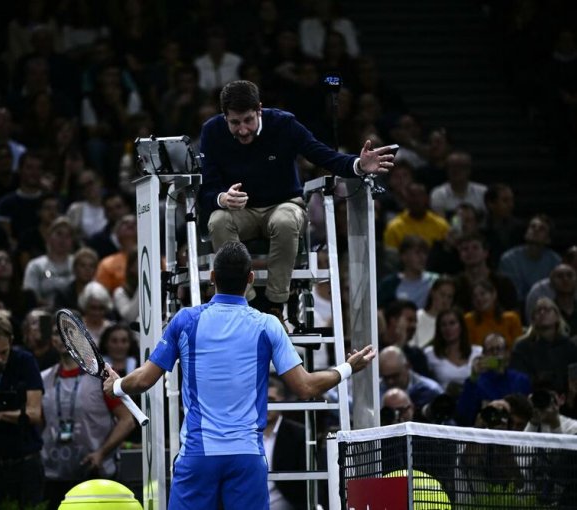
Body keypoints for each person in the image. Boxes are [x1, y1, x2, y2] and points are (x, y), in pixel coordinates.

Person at [101, 241, 376, 509]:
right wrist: (348, 367)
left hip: (199, 455)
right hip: (246, 458)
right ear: (251, 279)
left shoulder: (185, 320)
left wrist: (116, 385)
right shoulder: (268, 325)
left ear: (212, 277)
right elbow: (305, 387)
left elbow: (143, 380)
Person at [199, 80, 393, 312]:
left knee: (284, 220)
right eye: (235, 123)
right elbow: (207, 189)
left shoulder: (283, 124)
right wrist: (222, 198)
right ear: (224, 117)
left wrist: (358, 164)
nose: (243, 130)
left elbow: (324, 156)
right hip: (240, 212)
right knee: (218, 220)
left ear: (259, 109)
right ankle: (244, 304)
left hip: (284, 204)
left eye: (248, 120)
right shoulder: (212, 131)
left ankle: (275, 305)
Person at [40, 330, 135, 510]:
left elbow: (127, 421)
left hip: (96, 473)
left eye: (68, 332)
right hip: (54, 474)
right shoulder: (42, 378)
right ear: (52, 340)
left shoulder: (101, 379)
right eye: (56, 333)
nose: (61, 337)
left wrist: (101, 452)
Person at [0, 314, 45, 509]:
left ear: (11, 341)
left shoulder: (24, 362)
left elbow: (35, 414)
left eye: (4, 352)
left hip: (25, 460)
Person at [456, 333, 532, 426]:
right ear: (483, 355)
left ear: (506, 353)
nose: (495, 353)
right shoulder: (475, 381)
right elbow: (463, 417)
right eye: (491, 350)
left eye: (499, 349)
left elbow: (528, 414)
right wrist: (474, 377)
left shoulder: (521, 380)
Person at [265, 375, 306, 510]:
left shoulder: (298, 435)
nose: (266, 406)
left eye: (271, 400)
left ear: (282, 400)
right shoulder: (245, 434)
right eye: (262, 400)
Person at [424, 308, 482, 395]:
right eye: (443, 325)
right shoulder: (430, 354)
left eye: (452, 323)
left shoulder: (478, 352)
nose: (448, 328)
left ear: (461, 326)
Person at [379, 345, 443, 414]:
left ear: (407, 366)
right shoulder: (375, 394)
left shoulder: (431, 390)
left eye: (395, 376)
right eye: (386, 377)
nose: (390, 381)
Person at [463, 279, 523, 348]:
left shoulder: (511, 318)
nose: (479, 299)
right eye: (474, 296)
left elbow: (519, 348)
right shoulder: (468, 320)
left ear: (494, 294)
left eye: (482, 294)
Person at [411, 276, 455, 349]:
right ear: (433, 292)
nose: (445, 300)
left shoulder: (453, 323)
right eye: (442, 295)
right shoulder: (417, 316)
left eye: (449, 297)